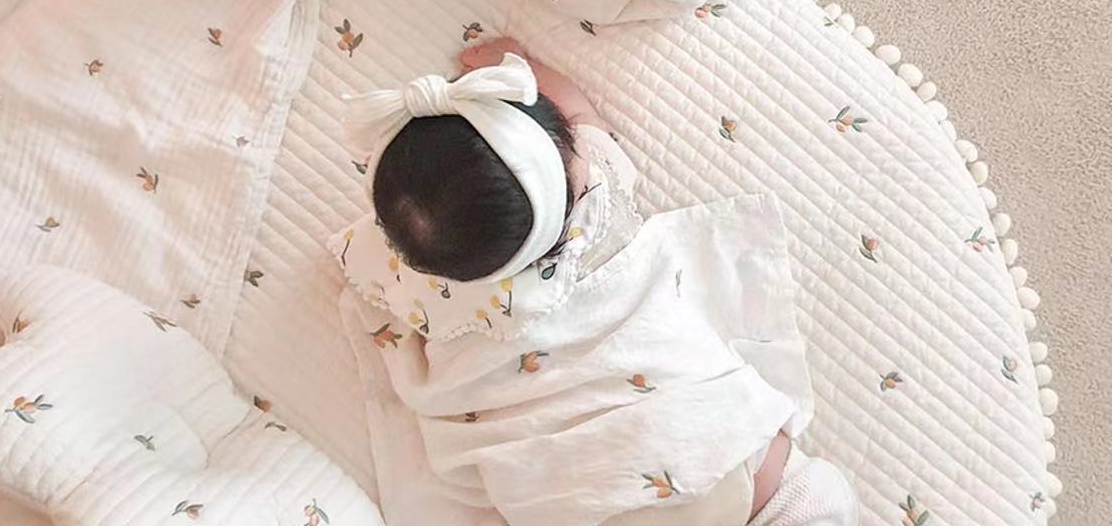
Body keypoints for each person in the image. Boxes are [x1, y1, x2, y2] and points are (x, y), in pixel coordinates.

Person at [331, 38, 859, 525]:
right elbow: (582, 112)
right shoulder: (596, 215)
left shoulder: (410, 285)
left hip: (582, 505)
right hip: (709, 452)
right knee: (817, 499)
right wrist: (529, 67)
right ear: (569, 176)